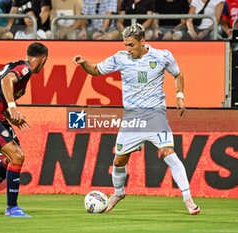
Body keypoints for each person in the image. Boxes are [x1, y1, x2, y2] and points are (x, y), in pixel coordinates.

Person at [73, 23, 200, 215]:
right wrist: (84, 63)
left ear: (143, 41)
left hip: (155, 115)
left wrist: (180, 95)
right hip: (132, 119)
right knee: (118, 161)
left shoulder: (162, 56)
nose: (128, 49)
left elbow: (178, 74)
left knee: (168, 153)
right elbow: (96, 70)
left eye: (131, 45)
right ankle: (118, 193)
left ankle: (188, 199)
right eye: (125, 45)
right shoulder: (120, 58)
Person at [0, 42, 48, 218]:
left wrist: (10, 114)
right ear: (43, 60)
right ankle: (12, 208)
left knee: (12, 157)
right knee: (17, 156)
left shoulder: (18, 67)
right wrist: (13, 108)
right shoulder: (25, 69)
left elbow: (0, 94)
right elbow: (7, 81)